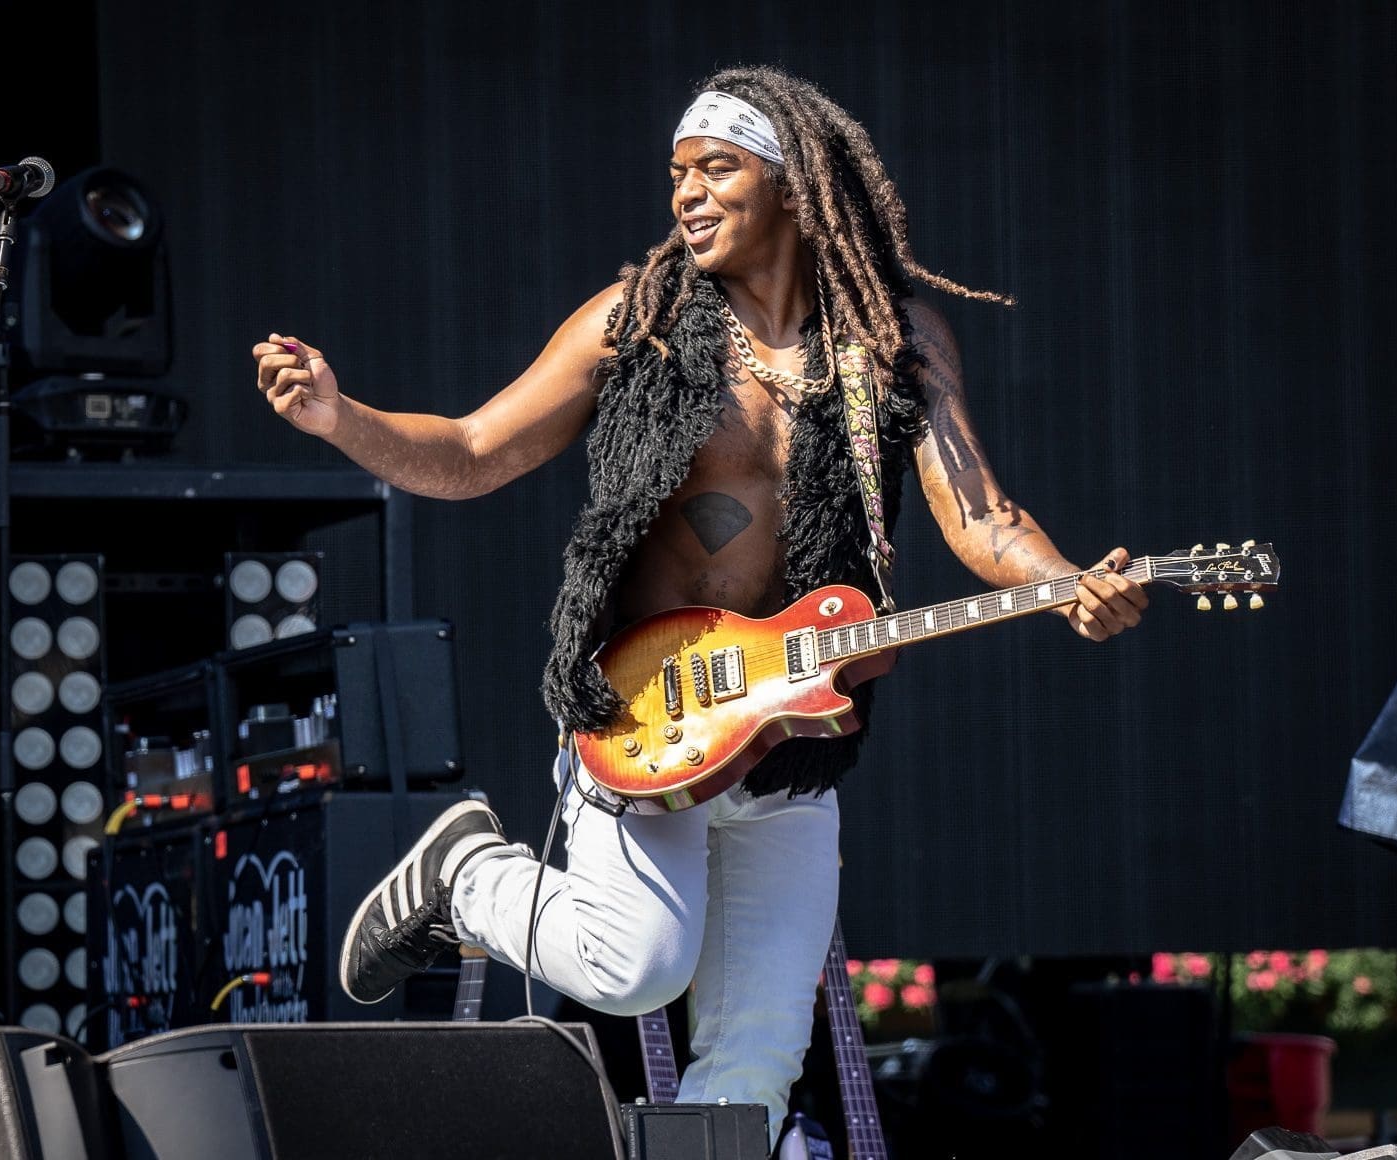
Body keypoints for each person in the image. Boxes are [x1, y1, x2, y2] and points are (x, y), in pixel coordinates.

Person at [251, 65, 1147, 1142]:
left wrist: (1063, 584)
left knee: (757, 1054)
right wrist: (340, 416)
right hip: (646, 714)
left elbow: (982, 513)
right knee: (634, 965)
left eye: (716, 168)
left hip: (791, 739)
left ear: (794, 186)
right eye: (677, 173)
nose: (686, 192)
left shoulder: (890, 340)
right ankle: (466, 875)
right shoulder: (638, 321)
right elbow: (474, 451)